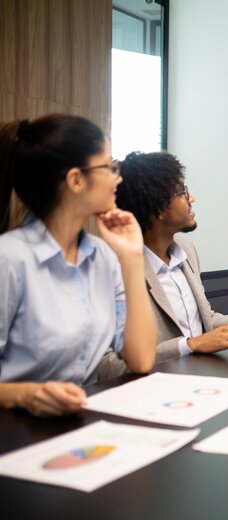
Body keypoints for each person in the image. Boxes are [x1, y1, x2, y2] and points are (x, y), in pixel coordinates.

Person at [97, 152, 228, 380]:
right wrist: (189, 345)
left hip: (199, 379)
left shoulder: (186, 251)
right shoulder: (114, 267)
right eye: (182, 192)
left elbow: (207, 321)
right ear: (158, 206)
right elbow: (106, 366)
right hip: (154, 389)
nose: (192, 198)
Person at [0, 114, 156, 416]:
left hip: (77, 425)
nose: (118, 177)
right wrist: (26, 394)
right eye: (109, 167)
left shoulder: (103, 256)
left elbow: (141, 359)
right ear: (75, 180)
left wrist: (132, 257)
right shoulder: (10, 258)